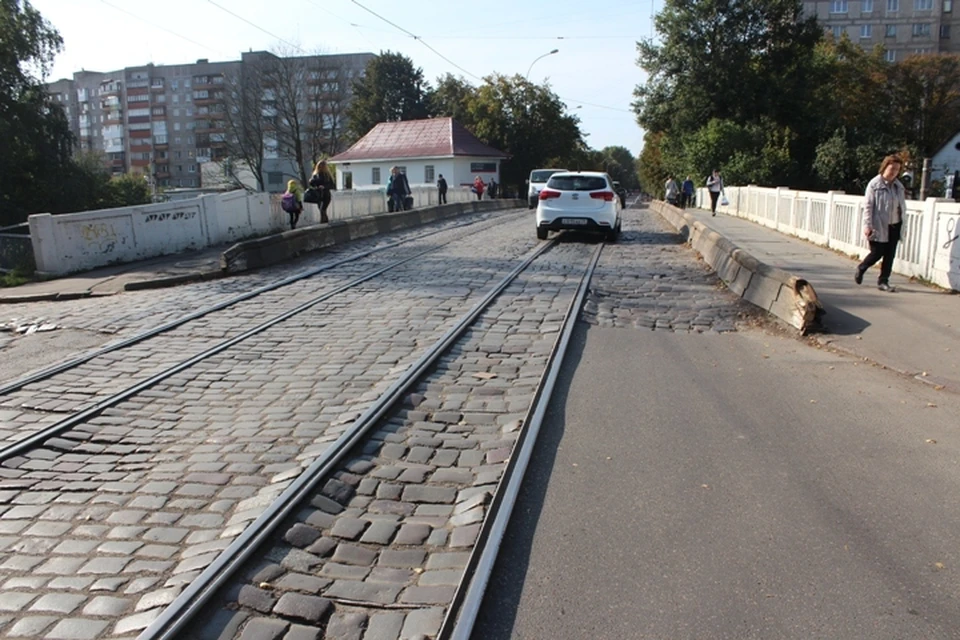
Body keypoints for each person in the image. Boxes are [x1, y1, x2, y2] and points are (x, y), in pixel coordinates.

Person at [856, 154, 907, 292]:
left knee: (890, 254)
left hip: (894, 225)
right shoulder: (874, 184)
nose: (894, 172)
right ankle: (862, 267)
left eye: (897, 169)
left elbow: (901, 206)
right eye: (892, 169)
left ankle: (883, 281)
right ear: (885, 167)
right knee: (877, 252)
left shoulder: (898, 187)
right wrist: (867, 225)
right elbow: (868, 206)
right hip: (878, 225)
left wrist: (903, 224)